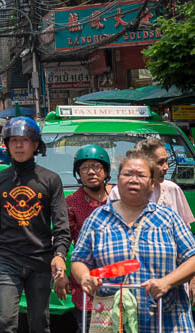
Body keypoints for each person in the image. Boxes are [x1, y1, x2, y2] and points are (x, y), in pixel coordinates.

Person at [72, 150, 195, 333]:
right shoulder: (98, 218)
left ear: (152, 184)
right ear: (117, 180)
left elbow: (192, 257)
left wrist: (167, 282)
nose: (133, 179)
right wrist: (85, 277)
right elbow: (79, 260)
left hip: (167, 319)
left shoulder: (168, 218)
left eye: (141, 175)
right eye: (127, 174)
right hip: (113, 322)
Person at [0, 116, 70, 333]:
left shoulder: (51, 180)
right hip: (8, 261)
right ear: (7, 145)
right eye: (14, 140)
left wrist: (60, 254)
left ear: (36, 144)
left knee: (39, 323)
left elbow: (61, 223)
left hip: (41, 261)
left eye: (25, 140)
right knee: (5, 323)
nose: (19, 145)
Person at [62, 145, 113, 332]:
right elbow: (63, 239)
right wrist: (60, 271)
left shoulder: (119, 196)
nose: (91, 172)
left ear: (106, 171)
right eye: (85, 168)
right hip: (87, 281)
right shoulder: (71, 202)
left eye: (96, 166)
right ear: (78, 173)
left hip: (121, 279)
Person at [108, 137, 195, 225]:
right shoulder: (118, 192)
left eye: (166, 161)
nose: (166, 167)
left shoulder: (173, 189)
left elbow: (184, 230)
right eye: (160, 162)